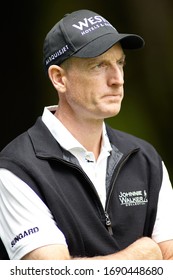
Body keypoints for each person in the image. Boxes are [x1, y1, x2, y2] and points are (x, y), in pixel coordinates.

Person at [0, 9, 173, 260]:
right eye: (99, 65)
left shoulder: (145, 159)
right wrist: (140, 254)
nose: (117, 79)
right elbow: (48, 274)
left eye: (120, 63)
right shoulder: (17, 169)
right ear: (59, 78)